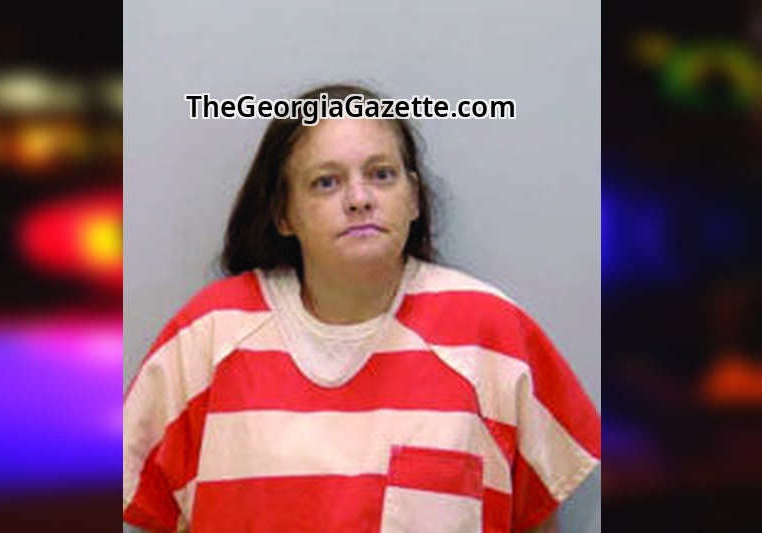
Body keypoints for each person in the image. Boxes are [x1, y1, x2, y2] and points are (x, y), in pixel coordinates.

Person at [123, 84, 601, 532]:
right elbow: (147, 508)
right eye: (326, 182)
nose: (359, 199)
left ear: (413, 198)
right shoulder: (208, 334)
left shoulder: (490, 330)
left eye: (381, 175)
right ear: (283, 214)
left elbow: (538, 518)